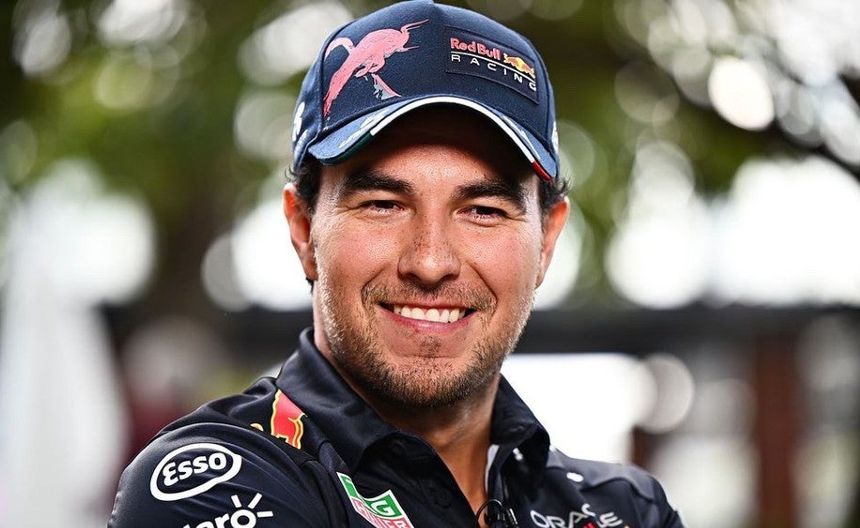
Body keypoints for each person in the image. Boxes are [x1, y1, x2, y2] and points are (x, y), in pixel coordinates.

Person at [109, 1, 683, 527]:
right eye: (383, 204)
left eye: (482, 211)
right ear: (303, 229)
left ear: (547, 241)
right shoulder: (213, 485)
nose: (430, 262)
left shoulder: (626, 510)